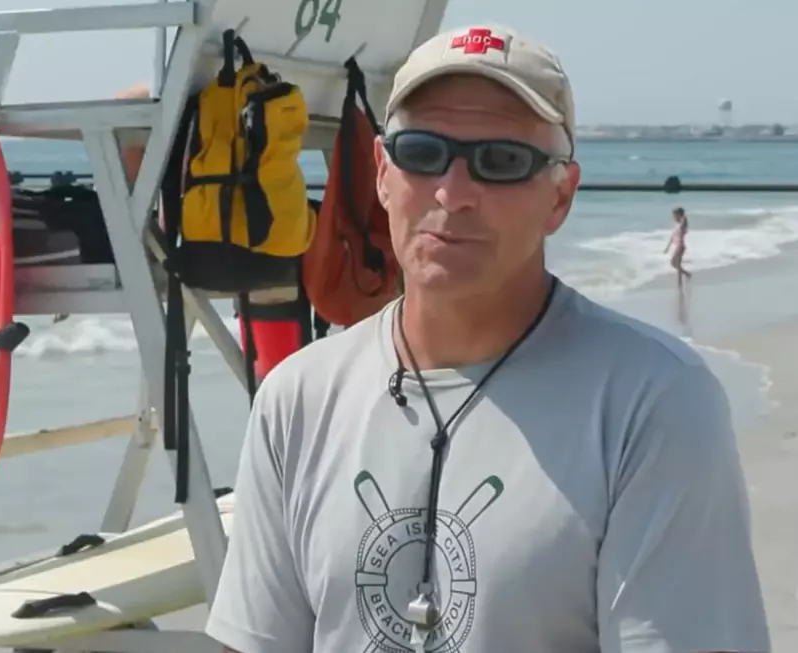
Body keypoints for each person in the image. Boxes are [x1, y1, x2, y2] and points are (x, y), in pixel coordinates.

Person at [205, 24, 769, 653]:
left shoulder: (651, 403)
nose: (453, 192)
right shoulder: (298, 400)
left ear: (561, 197)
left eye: (502, 162)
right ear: (382, 174)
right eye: (422, 153)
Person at [664, 206, 692, 284]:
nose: (673, 217)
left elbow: (684, 220)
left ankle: (686, 275)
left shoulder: (682, 225)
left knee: (673, 263)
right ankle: (681, 280)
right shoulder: (676, 225)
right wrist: (667, 247)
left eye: (674, 215)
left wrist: (682, 214)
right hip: (677, 246)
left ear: (679, 215)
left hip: (680, 246)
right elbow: (672, 237)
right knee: (677, 264)